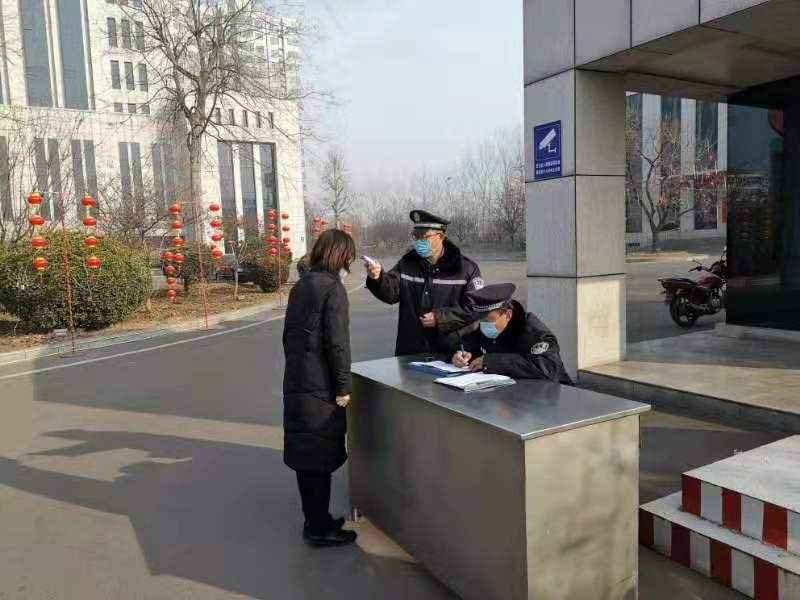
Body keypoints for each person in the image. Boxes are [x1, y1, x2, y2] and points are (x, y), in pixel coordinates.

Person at [282, 229, 357, 547]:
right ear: (339, 255)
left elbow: (288, 336)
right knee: (319, 457)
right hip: (321, 386)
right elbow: (337, 344)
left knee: (306, 455)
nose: (349, 262)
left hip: (298, 379)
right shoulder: (332, 289)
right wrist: (343, 387)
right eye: (348, 255)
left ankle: (315, 519)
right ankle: (319, 530)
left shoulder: (301, 285)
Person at [365, 209, 483, 356]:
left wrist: (440, 318)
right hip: (410, 351)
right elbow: (391, 293)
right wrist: (377, 278)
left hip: (451, 354)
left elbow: (475, 308)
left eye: (424, 236)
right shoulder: (407, 264)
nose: (419, 241)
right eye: (416, 236)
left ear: (441, 236)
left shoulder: (465, 269)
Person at [451, 283, 573, 384]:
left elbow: (549, 367)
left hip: (552, 396)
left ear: (507, 315)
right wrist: (461, 354)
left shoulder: (531, 331)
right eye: (481, 321)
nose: (483, 325)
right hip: (510, 395)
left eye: (488, 321)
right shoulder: (488, 329)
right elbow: (467, 342)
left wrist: (492, 362)